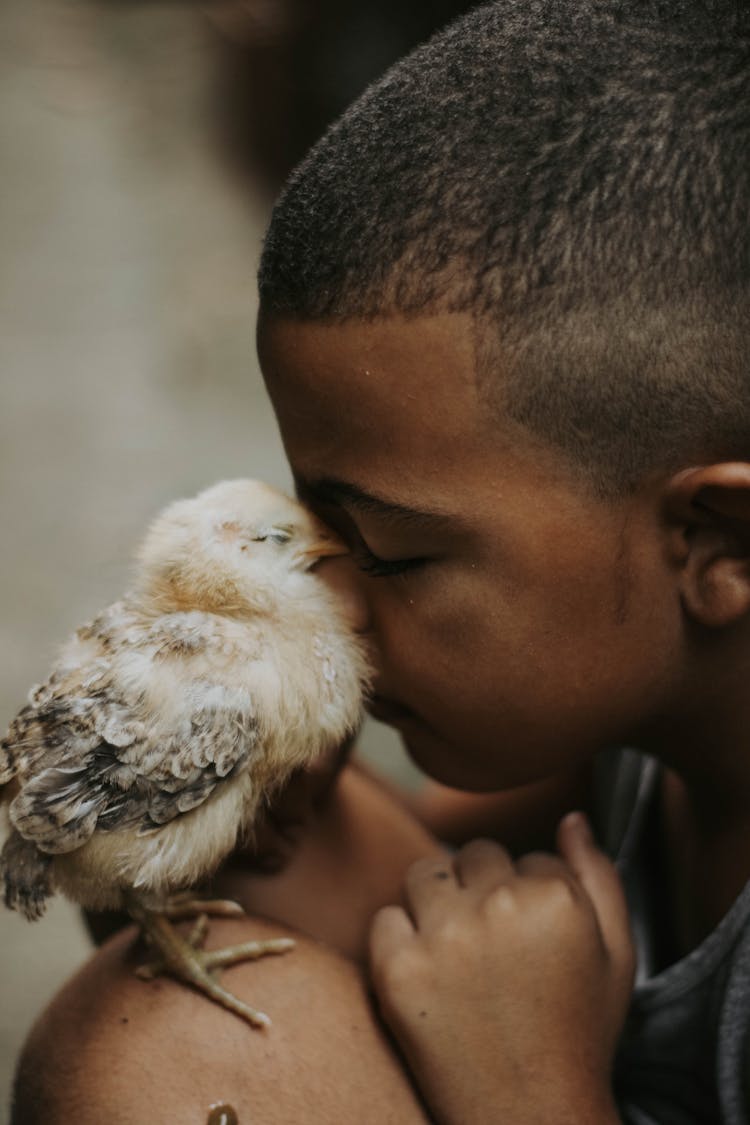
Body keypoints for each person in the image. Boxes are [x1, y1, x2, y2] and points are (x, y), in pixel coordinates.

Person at [11, 1, 750, 1122]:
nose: (331, 608)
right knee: (196, 891)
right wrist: (242, 760)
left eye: (393, 553)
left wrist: (535, 1093)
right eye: (317, 537)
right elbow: (380, 879)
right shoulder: (639, 733)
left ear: (716, 547)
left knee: (156, 1061)